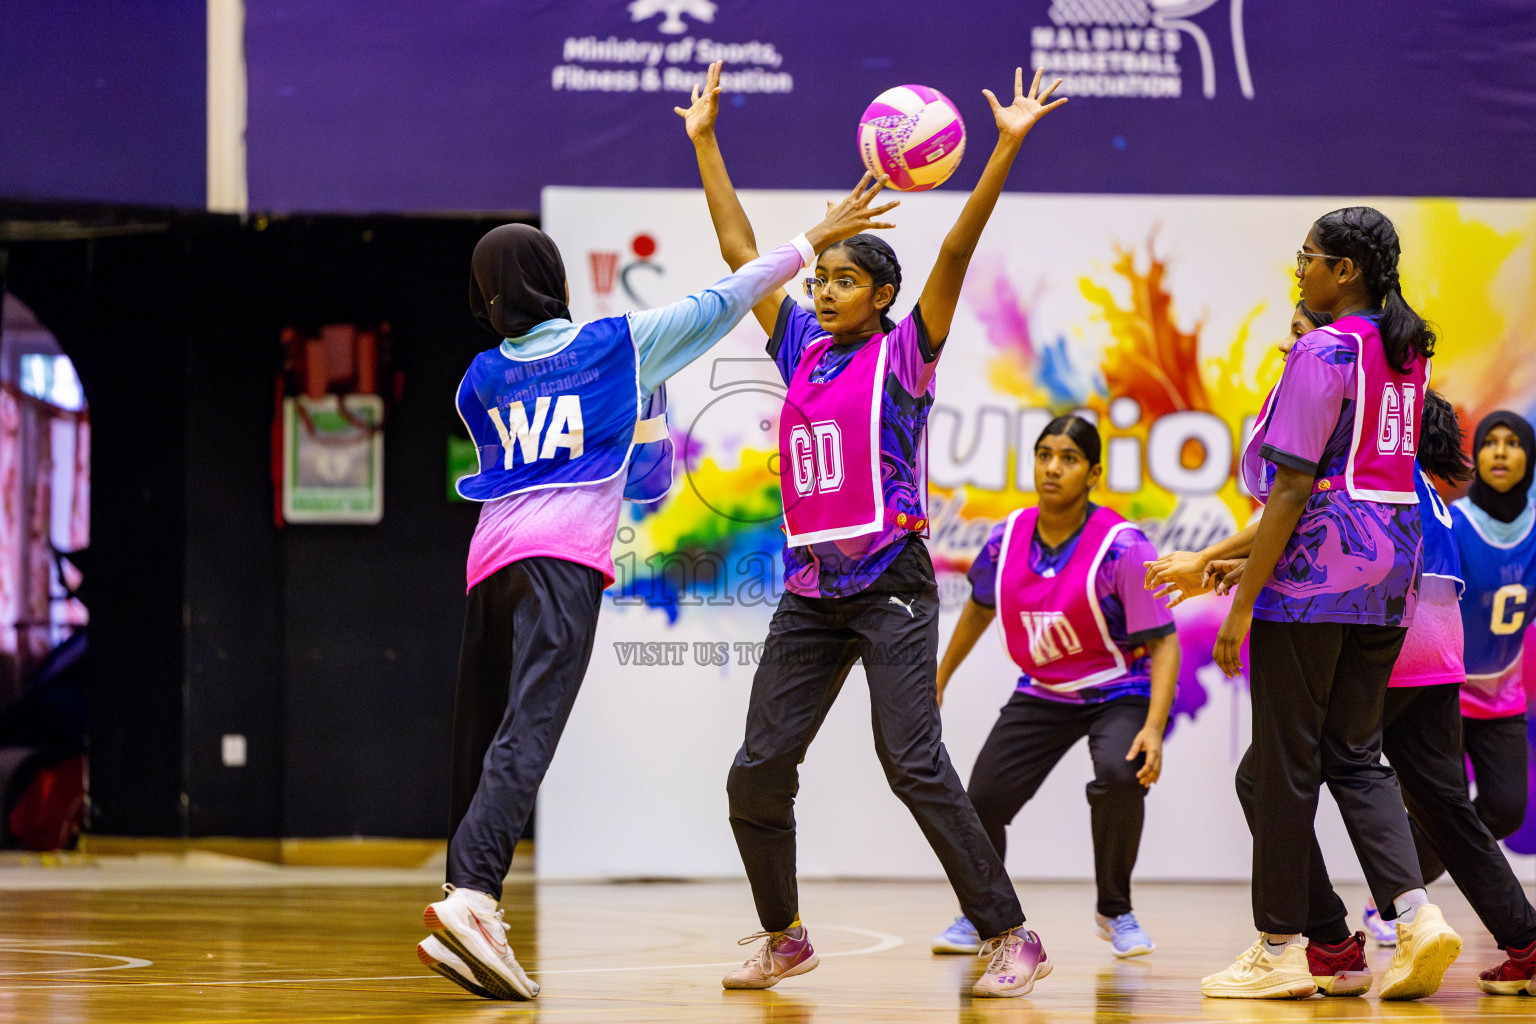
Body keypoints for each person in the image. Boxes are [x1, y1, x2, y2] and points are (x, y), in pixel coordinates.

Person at [416, 182, 899, 1000]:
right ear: (557, 282)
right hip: (560, 562)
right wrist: (812, 240)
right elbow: (725, 299)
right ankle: (472, 900)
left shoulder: (477, 379)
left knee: (485, 732)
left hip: (488, 562)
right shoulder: (616, 344)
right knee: (528, 733)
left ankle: (470, 890)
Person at [677, 62, 1067, 998]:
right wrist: (704, 142)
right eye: (822, 278)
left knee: (913, 761)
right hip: (812, 594)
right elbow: (742, 256)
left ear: (881, 297)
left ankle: (1009, 932)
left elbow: (957, 256)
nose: (822, 290)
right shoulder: (799, 345)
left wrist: (1006, 146)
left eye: (844, 280)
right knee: (758, 770)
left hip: (890, 583)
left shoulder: (905, 352)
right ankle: (785, 935)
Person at [1188, 384, 1536, 997]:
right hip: (1443, 654)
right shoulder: (1429, 487)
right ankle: (1526, 943)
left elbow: (1300, 522)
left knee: (1267, 777)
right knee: (1446, 807)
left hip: (1391, 645)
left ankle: (1332, 943)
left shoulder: (1375, 471)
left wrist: (1227, 567)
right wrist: (1244, 567)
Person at [1196, 207, 1460, 1000]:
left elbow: (1292, 485)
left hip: (1313, 577)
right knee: (1353, 755)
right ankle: (1416, 916)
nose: (1300, 269)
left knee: (1283, 765)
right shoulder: (1405, 353)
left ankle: (1280, 947)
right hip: (1389, 579)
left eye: (1309, 258)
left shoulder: (1325, 347)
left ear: (1346, 270)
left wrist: (1242, 601)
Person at [928, 416, 1178, 960]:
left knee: (1119, 773)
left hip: (1117, 689)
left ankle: (1116, 910)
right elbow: (978, 609)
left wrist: (1153, 730)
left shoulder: (1123, 546)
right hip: (1042, 689)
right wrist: (939, 678)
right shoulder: (1008, 537)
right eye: (1044, 455)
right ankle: (982, 913)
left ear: (1093, 474)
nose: (1052, 467)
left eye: (1067, 458)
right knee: (982, 800)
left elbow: (1164, 643)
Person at [1450, 411, 1535, 862]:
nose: (1500, 452)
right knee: (1442, 809)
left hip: (1503, 697)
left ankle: (1402, 885)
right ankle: (1394, 904)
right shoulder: (1451, 523)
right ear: (1476, 455)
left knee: (1505, 811)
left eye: (1513, 442)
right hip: (1441, 696)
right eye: (1490, 442)